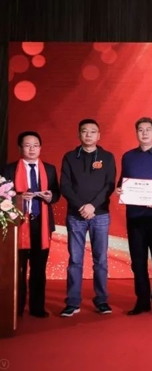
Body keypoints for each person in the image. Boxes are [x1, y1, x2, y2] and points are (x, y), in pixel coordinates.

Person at [117, 117, 152, 316]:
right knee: (138, 261)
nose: (144, 133)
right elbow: (122, 181)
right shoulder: (128, 157)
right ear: (136, 133)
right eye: (140, 130)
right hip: (135, 217)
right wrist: (120, 190)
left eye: (148, 129)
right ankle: (142, 301)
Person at [60, 119, 116, 317]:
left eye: (93, 132)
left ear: (99, 135)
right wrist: (81, 206)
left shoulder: (107, 157)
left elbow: (109, 185)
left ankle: (101, 300)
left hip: (100, 215)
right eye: (85, 131)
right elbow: (65, 186)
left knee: (100, 260)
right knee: (75, 260)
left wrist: (93, 206)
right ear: (79, 134)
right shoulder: (69, 157)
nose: (89, 135)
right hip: (76, 215)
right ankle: (72, 302)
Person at [2, 131, 60, 318]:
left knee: (39, 269)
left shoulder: (49, 169)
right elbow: (2, 197)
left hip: (41, 225)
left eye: (35, 145)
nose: (32, 149)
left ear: (40, 148)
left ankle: (37, 307)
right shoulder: (8, 170)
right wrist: (19, 198)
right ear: (20, 148)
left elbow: (56, 193)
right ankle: (16, 307)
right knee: (18, 269)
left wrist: (50, 197)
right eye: (27, 145)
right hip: (18, 225)